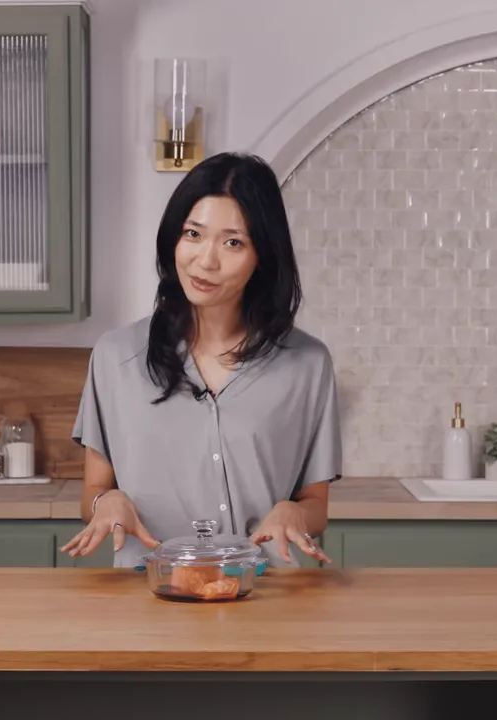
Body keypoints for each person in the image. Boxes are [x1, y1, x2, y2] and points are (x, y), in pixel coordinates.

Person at [61, 151, 342, 569]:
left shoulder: (308, 364)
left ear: (262, 256)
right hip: (148, 602)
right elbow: (93, 495)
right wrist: (109, 501)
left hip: (265, 600)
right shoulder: (115, 356)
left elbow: (315, 503)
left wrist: (294, 512)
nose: (205, 260)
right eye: (193, 234)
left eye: (233, 242)